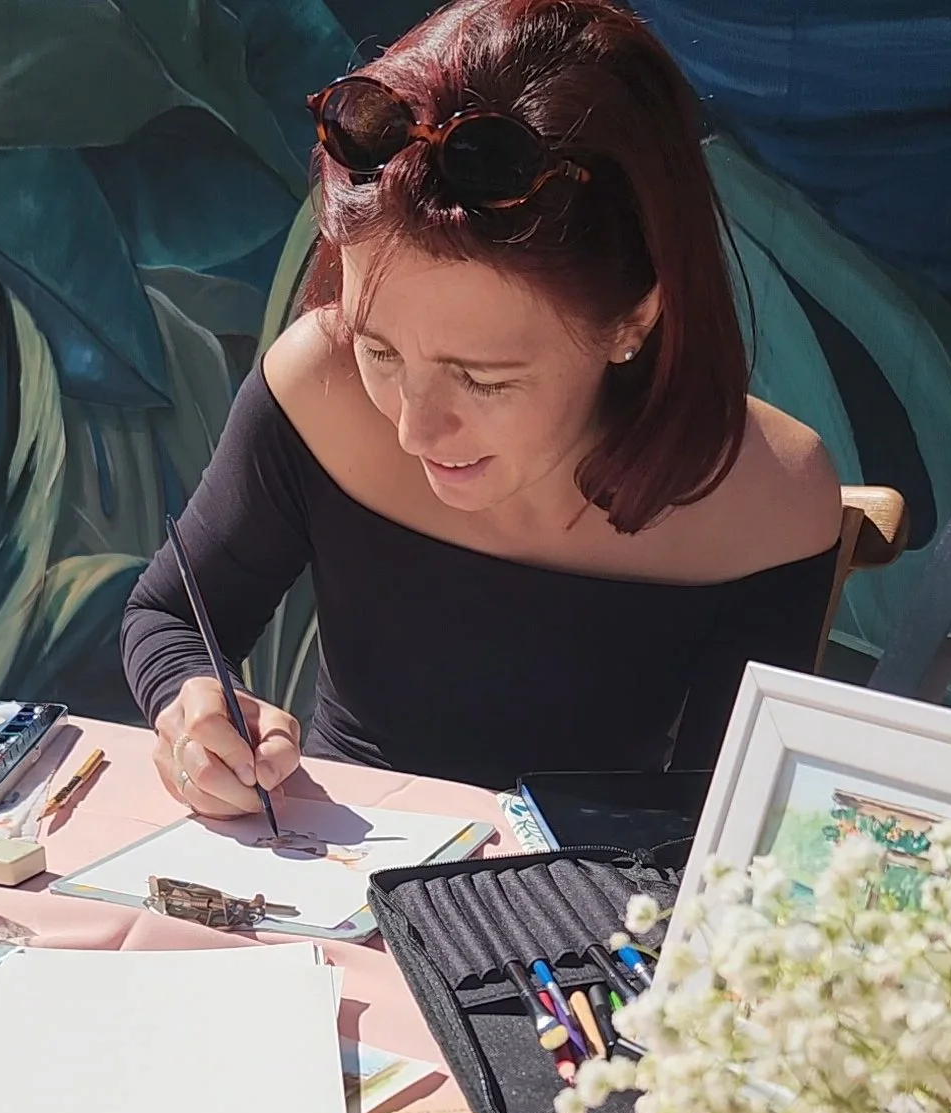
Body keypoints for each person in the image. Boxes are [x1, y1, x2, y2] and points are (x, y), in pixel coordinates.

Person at [122, 0, 841, 818]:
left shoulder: (766, 498)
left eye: (484, 378)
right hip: (323, 879)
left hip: (593, 914)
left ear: (634, 320)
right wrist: (194, 707)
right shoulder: (317, 383)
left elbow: (712, 831)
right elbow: (172, 614)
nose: (412, 428)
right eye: (380, 350)